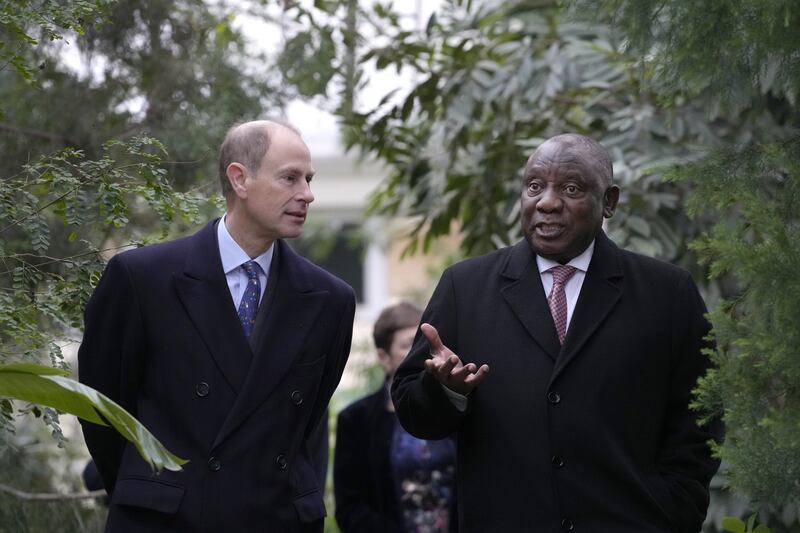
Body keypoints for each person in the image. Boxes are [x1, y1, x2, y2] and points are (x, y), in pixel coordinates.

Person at [392, 133, 722, 532]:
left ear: (609, 202)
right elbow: (413, 410)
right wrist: (445, 391)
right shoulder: (465, 287)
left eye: (571, 188)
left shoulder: (666, 293)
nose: (547, 202)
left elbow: (701, 417)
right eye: (534, 186)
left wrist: (673, 511)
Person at [78, 120, 356, 532]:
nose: (308, 194)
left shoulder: (330, 299)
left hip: (273, 519)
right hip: (165, 521)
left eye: (309, 179)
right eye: (290, 178)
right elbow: (104, 411)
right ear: (239, 179)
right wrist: (154, 490)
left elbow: (307, 428)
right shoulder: (142, 278)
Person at [334, 302, 457, 533]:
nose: (419, 353)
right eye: (407, 345)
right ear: (383, 356)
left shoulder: (455, 406)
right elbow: (349, 507)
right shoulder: (355, 420)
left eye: (424, 343)